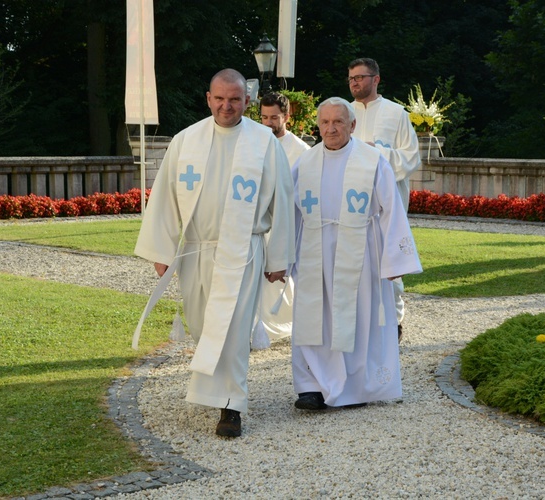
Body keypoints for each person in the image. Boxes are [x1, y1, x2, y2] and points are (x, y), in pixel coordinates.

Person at [133, 69, 296, 437]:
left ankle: (231, 406)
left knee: (235, 330)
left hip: (244, 252)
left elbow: (283, 202)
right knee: (202, 323)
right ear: (208, 98)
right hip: (197, 250)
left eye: (235, 99)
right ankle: (214, 390)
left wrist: (278, 258)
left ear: (247, 102)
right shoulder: (186, 140)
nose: (226, 106)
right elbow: (165, 198)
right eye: (220, 98)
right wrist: (162, 249)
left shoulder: (263, 143)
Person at [290, 97, 422, 410]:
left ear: (352, 125)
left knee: (356, 317)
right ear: (318, 126)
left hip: (360, 251)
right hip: (314, 252)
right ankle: (311, 387)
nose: (331, 128)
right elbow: (290, 215)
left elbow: (391, 210)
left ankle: (353, 386)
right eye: (325, 122)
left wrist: (395, 259)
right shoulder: (303, 164)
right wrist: (283, 257)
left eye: (338, 122)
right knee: (314, 316)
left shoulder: (373, 160)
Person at [348, 57, 421, 342]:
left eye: (361, 77)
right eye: (351, 78)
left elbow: (411, 157)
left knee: (390, 258)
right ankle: (358, 320)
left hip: (386, 202)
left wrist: (374, 152)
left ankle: (394, 320)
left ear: (376, 79)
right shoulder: (342, 111)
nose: (355, 82)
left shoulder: (396, 113)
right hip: (351, 202)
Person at [252, 92, 310, 342]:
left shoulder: (301, 150)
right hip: (257, 223)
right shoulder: (252, 143)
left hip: (286, 222)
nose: (268, 123)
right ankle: (254, 325)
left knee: (278, 275)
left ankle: (278, 322)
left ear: (286, 116)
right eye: (263, 117)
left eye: (274, 117)